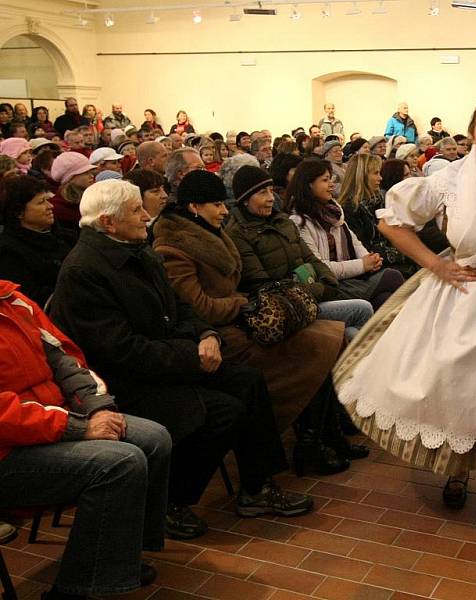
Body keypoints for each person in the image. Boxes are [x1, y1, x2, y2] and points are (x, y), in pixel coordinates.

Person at [50, 179, 314, 540]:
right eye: (136, 211)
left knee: (248, 381)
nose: (147, 216)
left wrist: (206, 335)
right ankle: (170, 500)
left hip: (167, 361)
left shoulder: (136, 249)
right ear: (108, 222)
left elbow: (180, 308)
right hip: (125, 383)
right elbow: (120, 349)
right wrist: (192, 356)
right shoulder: (85, 271)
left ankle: (256, 488)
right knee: (222, 412)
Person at [335, 95, 476, 516]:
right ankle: (460, 469)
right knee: (457, 384)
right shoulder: (449, 178)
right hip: (462, 292)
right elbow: (391, 221)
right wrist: (435, 263)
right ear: (473, 132)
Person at [152, 169, 361, 474]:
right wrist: (240, 303)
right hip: (222, 335)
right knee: (318, 345)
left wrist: (318, 283)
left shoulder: (217, 230)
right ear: (193, 206)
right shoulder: (174, 248)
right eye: (217, 204)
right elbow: (198, 306)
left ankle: (325, 435)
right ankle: (309, 444)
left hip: (245, 319)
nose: (225, 210)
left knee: (331, 338)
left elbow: (309, 262)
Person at [0, 278, 171, 599]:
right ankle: (74, 591)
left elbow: (62, 358)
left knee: (153, 438)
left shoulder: (12, 299)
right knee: (119, 463)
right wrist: (77, 427)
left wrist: (95, 408)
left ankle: (117, 556)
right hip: (6, 452)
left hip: (47, 421)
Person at [226, 165, 373, 341]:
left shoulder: (282, 222)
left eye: (271, 191)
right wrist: (319, 290)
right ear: (245, 199)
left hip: (308, 295)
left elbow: (311, 257)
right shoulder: (238, 234)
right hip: (284, 307)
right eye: (262, 193)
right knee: (362, 310)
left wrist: (329, 283)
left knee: (350, 332)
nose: (271, 198)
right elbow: (262, 285)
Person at [286, 159, 404, 310]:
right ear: (309, 184)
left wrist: (370, 259)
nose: (331, 185)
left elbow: (354, 242)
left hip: (350, 278)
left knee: (384, 300)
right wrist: (362, 265)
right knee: (391, 276)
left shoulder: (333, 212)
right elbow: (321, 267)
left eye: (331, 179)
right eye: (325, 180)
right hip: (329, 285)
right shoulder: (299, 221)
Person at [0, 175, 76, 305]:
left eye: (48, 200)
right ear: (19, 212)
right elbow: (30, 298)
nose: (50, 206)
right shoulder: (9, 252)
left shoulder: (67, 236)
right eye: (41, 202)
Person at [339, 154, 415, 276]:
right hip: (374, 266)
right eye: (375, 173)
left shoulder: (379, 199)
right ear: (362, 176)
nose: (380, 178)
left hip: (393, 259)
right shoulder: (349, 208)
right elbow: (363, 248)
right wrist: (402, 252)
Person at [49, 151, 98, 231]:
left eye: (90, 172)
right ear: (70, 177)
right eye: (85, 173)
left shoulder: (93, 197)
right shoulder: (58, 208)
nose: (91, 176)